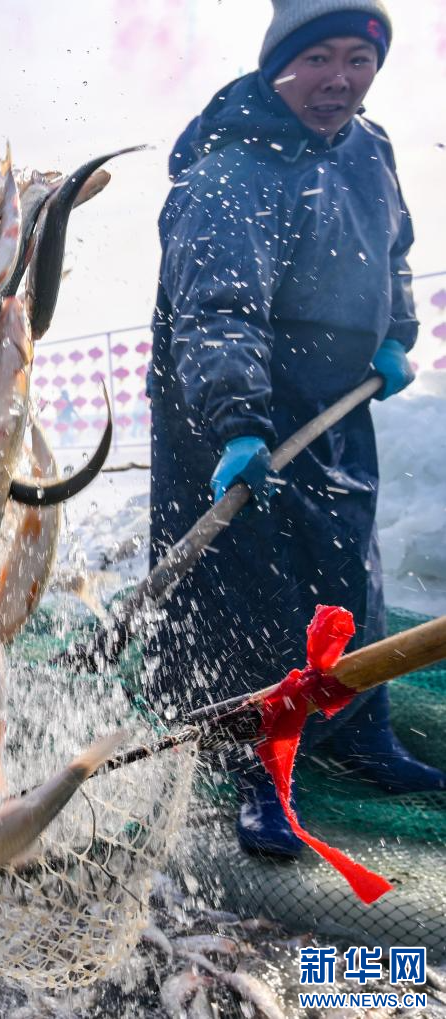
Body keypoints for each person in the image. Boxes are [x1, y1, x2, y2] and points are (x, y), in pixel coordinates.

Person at [147, 0, 446, 858]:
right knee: (250, 588)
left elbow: (394, 251)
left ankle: (359, 733)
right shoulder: (230, 170)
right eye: (318, 58)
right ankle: (258, 771)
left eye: (358, 59)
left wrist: (394, 333)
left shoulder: (372, 149)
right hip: (232, 412)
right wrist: (237, 422)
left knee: (347, 564)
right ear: (278, 62)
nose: (340, 81)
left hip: (337, 404)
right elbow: (216, 311)